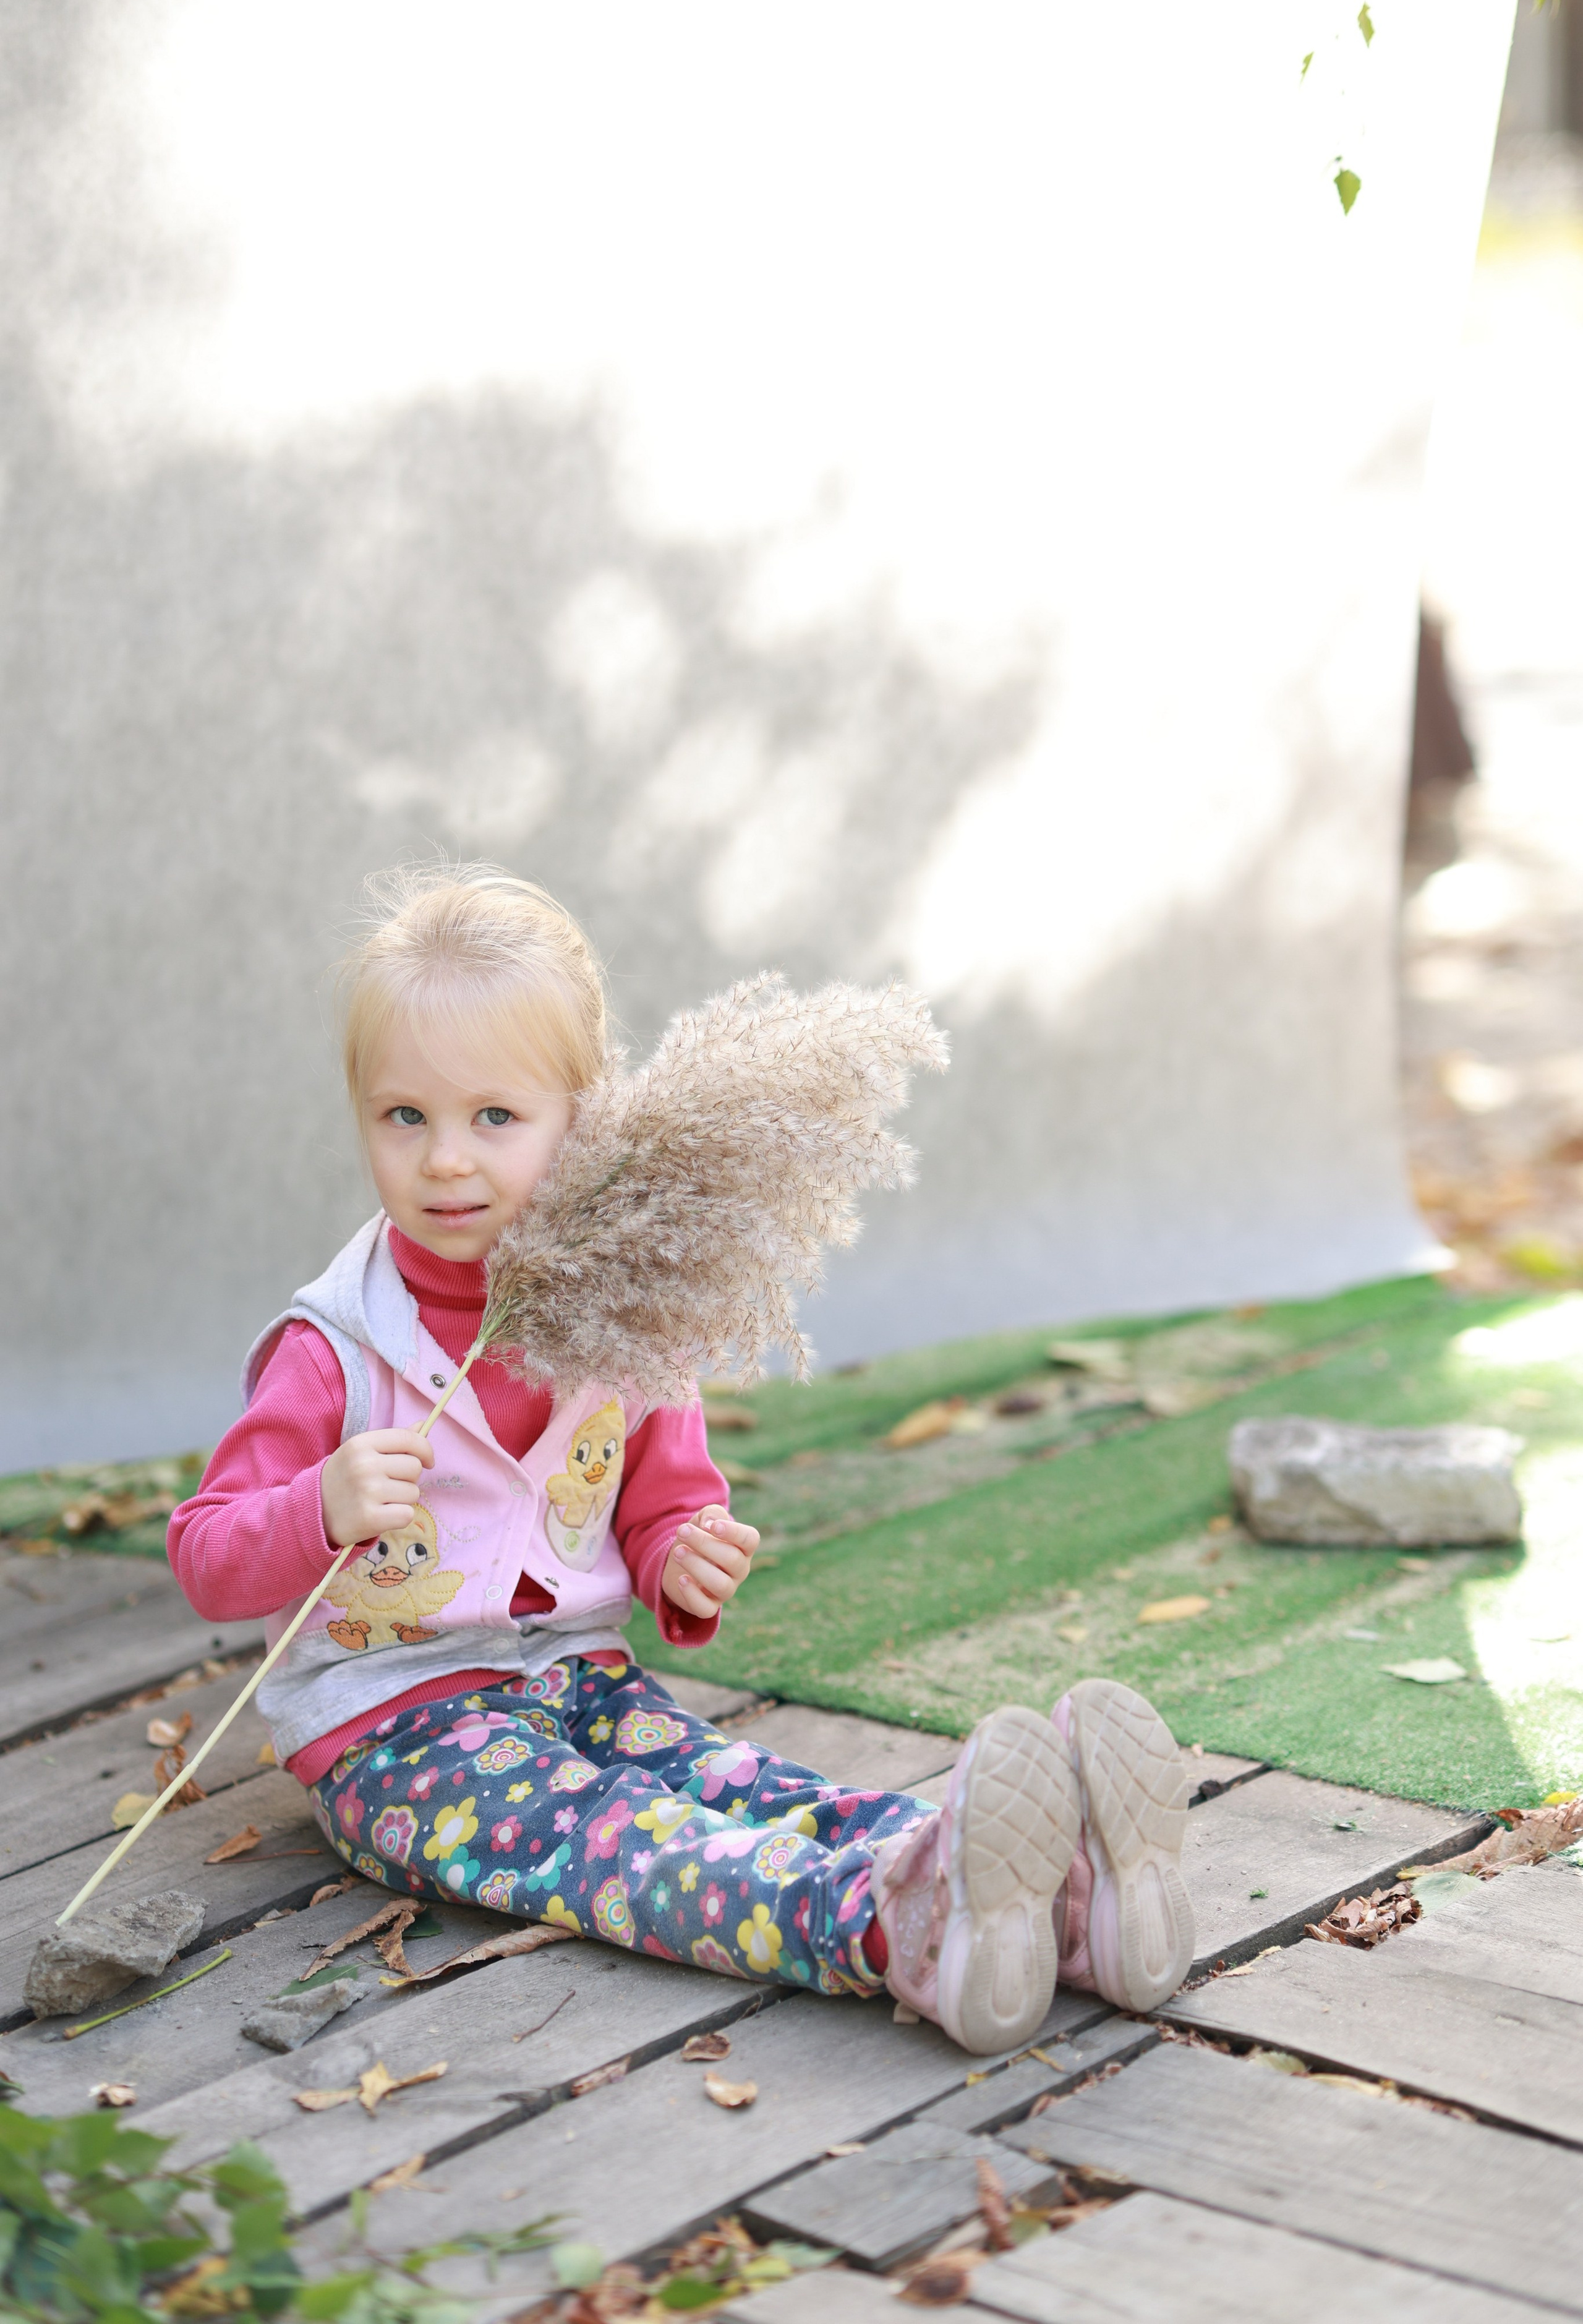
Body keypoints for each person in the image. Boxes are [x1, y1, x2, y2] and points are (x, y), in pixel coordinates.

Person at [169, 866, 1194, 2053]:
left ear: (581, 1117)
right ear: (363, 1116)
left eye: (494, 1117)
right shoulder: (333, 1351)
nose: (446, 1159)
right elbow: (205, 1556)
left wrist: (679, 1557)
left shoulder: (615, 1319)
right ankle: (890, 1927)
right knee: (617, 1840)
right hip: (396, 1731)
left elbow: (662, 1499)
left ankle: (1072, 1911)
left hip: (581, 1679)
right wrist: (315, 1505)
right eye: (406, 1117)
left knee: (744, 1787)